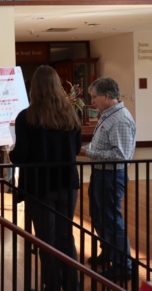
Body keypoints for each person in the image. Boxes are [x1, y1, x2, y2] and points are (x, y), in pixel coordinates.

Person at [9, 66, 81, 291]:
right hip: (68, 183)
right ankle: (72, 284)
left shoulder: (27, 116)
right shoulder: (71, 114)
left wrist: (11, 152)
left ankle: (52, 285)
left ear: (34, 88)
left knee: (46, 240)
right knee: (65, 236)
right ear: (57, 85)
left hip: (40, 186)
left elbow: (21, 156)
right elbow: (77, 147)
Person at [79, 77, 135, 281]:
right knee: (98, 215)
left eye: (94, 97)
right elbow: (103, 145)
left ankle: (123, 265)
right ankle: (110, 252)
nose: (92, 101)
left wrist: (87, 152)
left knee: (111, 220)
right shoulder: (108, 115)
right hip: (101, 173)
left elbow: (121, 155)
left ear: (107, 96)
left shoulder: (120, 119)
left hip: (111, 175)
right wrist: (88, 151)